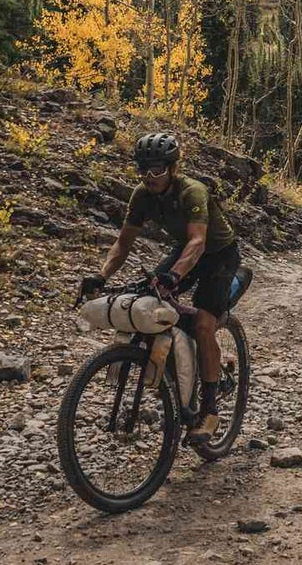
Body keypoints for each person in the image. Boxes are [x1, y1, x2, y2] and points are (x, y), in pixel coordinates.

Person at [79, 132, 240, 436]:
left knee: (204, 324)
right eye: (143, 169)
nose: (149, 176)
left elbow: (197, 241)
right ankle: (177, 373)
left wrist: (174, 276)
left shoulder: (192, 192)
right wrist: (101, 276)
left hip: (219, 253)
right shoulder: (142, 195)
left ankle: (209, 410)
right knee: (151, 302)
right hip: (185, 251)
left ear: (173, 168)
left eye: (157, 170)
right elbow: (122, 244)